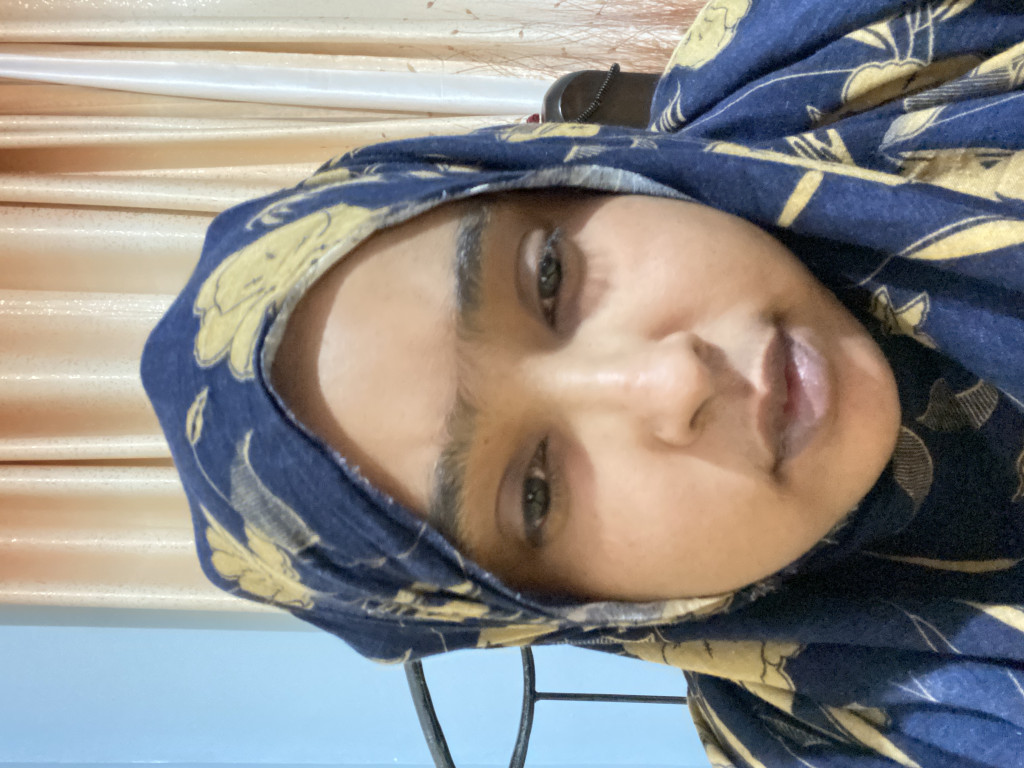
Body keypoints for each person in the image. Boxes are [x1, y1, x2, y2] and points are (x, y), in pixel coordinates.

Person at [142, 1, 1024, 765]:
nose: (671, 381)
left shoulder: (850, 51)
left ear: (575, 172)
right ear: (572, 607)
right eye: (535, 492)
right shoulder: (831, 739)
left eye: (550, 276)